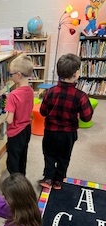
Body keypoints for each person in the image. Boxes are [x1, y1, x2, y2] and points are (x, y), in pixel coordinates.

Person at [38, 53, 94, 190]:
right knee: (64, 157)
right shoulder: (81, 96)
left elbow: (43, 112)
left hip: (50, 132)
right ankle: (58, 180)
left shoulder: (50, 92)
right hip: (68, 134)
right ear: (76, 74)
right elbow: (86, 118)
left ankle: (48, 178)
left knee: (49, 155)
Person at [5, 54, 34, 175]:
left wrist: (7, 112)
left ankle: (14, 187)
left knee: (12, 161)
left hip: (15, 132)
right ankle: (22, 181)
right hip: (27, 130)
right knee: (22, 157)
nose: (10, 77)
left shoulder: (13, 95)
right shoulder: (31, 91)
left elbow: (9, 120)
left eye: (11, 74)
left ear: (18, 75)